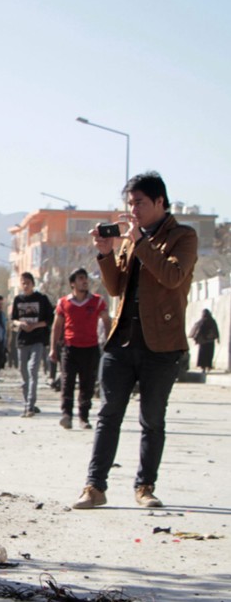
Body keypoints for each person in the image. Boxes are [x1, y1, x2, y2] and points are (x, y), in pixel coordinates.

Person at [73, 171, 198, 510]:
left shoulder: (184, 237)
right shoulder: (132, 239)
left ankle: (145, 486)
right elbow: (116, 289)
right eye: (130, 204)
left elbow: (172, 276)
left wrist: (140, 241)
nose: (133, 210)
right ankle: (94, 487)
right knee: (108, 414)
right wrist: (105, 254)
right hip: (122, 341)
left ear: (160, 201)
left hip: (162, 344)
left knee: (152, 419)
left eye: (139, 203)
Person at [50, 268, 111, 430]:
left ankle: (83, 417)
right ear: (72, 283)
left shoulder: (97, 301)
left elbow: (106, 320)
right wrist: (53, 348)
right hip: (70, 349)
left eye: (85, 278)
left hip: (90, 348)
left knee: (87, 384)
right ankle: (66, 415)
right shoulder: (64, 302)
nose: (84, 281)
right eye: (80, 278)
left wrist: (110, 340)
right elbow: (57, 326)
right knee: (67, 382)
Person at [11, 272, 53, 417]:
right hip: (22, 341)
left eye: (28, 282)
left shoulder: (41, 299)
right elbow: (13, 319)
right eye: (23, 282)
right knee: (24, 374)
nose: (25, 285)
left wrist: (35, 325)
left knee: (32, 370)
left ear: (33, 284)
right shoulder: (17, 300)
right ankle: (28, 402)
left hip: (37, 340)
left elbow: (49, 319)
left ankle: (29, 405)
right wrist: (20, 323)